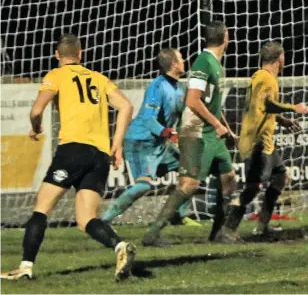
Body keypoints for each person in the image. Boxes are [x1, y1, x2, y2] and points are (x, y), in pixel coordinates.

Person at [1, 34, 136, 281]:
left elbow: (36, 110)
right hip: (99, 154)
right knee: (86, 219)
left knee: (41, 209)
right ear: (80, 54)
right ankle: (119, 247)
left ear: (57, 55)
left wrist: (36, 126)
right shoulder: (98, 78)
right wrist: (116, 144)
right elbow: (126, 106)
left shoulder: (55, 75)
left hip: (73, 149)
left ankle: (25, 267)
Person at [143, 21, 237, 246]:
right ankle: (152, 234)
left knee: (228, 178)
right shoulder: (203, 62)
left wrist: (226, 127)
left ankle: (219, 233)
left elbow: (210, 102)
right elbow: (193, 100)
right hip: (196, 133)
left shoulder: (215, 63)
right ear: (226, 36)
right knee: (189, 185)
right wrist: (216, 124)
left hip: (211, 135)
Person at [101, 49, 200, 240]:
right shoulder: (157, 86)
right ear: (174, 64)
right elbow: (148, 119)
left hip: (160, 142)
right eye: (181, 58)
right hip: (141, 141)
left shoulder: (180, 88)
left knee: (191, 169)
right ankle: (103, 221)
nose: (184, 60)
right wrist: (169, 134)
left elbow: (184, 114)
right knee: (144, 186)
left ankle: (179, 215)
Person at [223, 41, 307, 239]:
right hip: (257, 143)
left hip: (265, 142)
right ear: (281, 58)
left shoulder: (260, 77)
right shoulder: (266, 79)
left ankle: (262, 227)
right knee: (253, 187)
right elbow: (268, 104)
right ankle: (227, 229)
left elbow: (259, 108)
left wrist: (282, 120)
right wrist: (294, 108)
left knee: (280, 177)